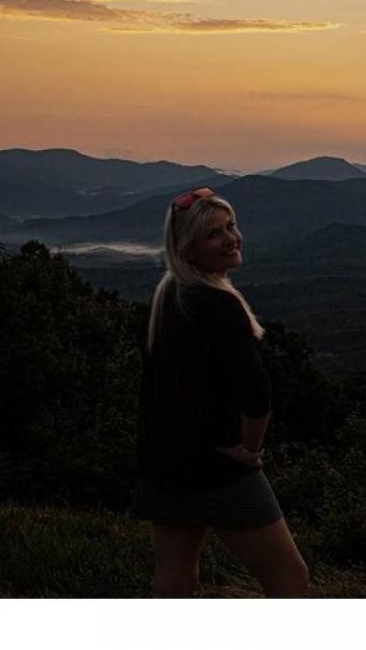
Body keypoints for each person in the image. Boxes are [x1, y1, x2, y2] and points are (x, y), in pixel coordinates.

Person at [128, 187, 309, 598]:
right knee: (290, 581)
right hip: (217, 469)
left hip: (164, 463)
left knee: (174, 582)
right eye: (214, 234)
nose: (231, 238)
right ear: (189, 250)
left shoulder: (166, 298)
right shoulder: (220, 305)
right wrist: (249, 450)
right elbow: (257, 394)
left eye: (231, 226)